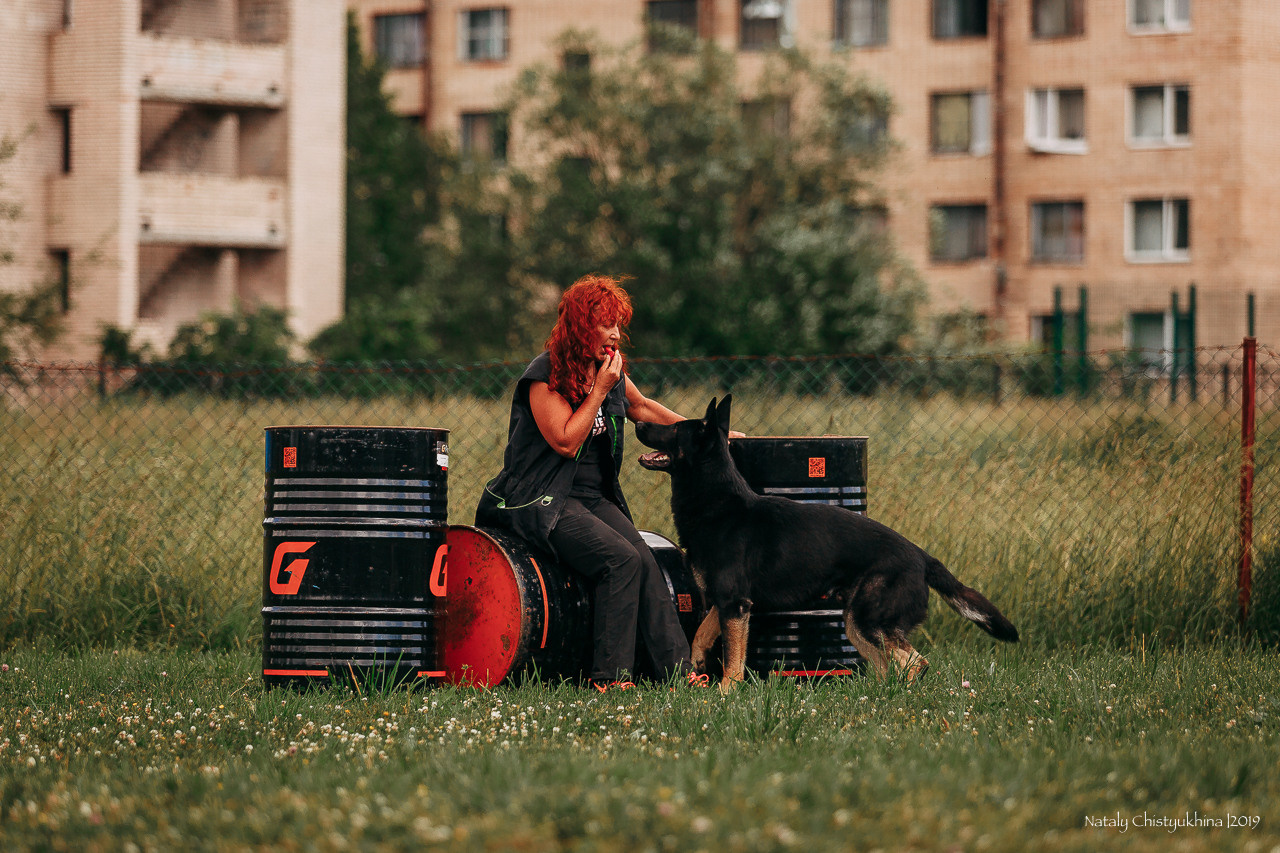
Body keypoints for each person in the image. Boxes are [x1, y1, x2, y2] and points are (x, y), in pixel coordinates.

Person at [476, 274, 702, 691]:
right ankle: (610, 679)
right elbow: (564, 440)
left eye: (618, 324)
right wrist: (598, 391)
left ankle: (679, 674)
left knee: (646, 559)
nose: (616, 333)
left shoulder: (607, 369)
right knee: (620, 560)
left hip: (591, 498)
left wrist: (707, 432)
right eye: (606, 323)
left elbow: (641, 407)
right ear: (582, 326)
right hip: (542, 499)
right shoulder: (545, 374)